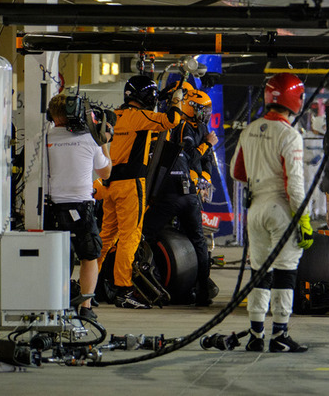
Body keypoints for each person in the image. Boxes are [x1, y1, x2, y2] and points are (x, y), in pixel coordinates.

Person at [230, 73, 312, 353]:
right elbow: (296, 184)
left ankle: (255, 335)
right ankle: (280, 336)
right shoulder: (290, 136)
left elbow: (236, 172)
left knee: (259, 272)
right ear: (294, 99)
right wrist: (303, 218)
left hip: (255, 211)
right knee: (285, 272)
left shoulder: (248, 130)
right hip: (281, 210)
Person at [97, 75, 182, 309]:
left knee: (105, 238)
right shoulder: (140, 116)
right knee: (129, 237)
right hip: (131, 185)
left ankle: (90, 288)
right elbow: (171, 121)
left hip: (109, 186)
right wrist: (176, 101)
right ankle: (124, 290)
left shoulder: (112, 116)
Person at [143, 88, 218, 306]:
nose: (206, 113)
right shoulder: (181, 126)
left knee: (146, 234)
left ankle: (197, 286)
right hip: (182, 192)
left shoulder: (199, 127)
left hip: (182, 191)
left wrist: (204, 180)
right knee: (196, 240)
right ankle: (194, 287)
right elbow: (190, 154)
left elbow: (203, 159)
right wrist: (206, 145)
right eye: (202, 109)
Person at [44, 94, 112, 321]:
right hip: (81, 207)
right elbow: (106, 172)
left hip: (50, 207)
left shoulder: (44, 137)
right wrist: (104, 143)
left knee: (57, 256)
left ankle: (56, 303)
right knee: (89, 256)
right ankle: (86, 307)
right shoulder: (89, 140)